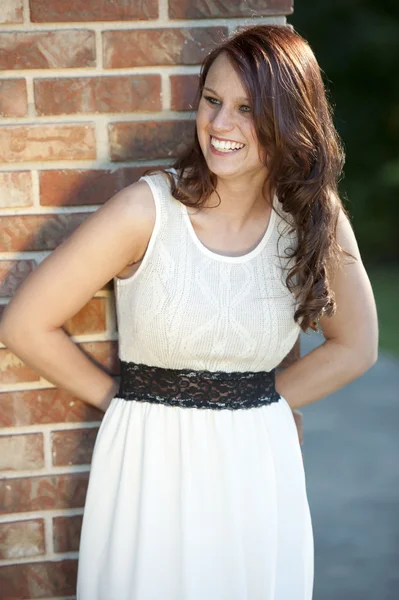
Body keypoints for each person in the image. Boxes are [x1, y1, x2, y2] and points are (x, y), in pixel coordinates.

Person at [0, 24, 378, 600]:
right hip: (150, 461)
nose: (221, 125)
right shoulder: (146, 211)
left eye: (248, 109)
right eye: (213, 100)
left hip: (257, 463)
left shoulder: (311, 217)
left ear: (289, 118)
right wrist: (123, 403)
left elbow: (357, 345)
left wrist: (263, 405)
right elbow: (25, 324)